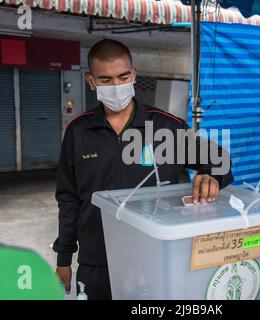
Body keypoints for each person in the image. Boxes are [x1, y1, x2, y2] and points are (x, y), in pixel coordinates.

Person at [53, 39, 234, 300]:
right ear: (91, 82)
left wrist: (210, 174)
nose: (116, 86)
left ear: (134, 75)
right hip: (97, 259)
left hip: (154, 257)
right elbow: (68, 199)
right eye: (106, 80)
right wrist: (63, 259)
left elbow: (221, 160)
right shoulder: (78, 132)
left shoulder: (166, 128)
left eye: (123, 76)